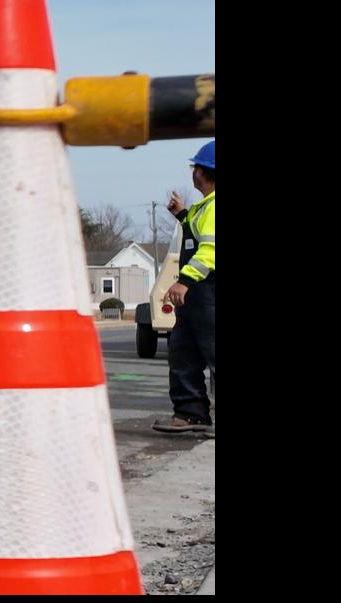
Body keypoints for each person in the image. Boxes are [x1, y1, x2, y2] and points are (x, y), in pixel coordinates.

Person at [153, 141, 216, 436]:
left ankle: (193, 413)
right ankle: (190, 414)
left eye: (195, 168)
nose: (193, 173)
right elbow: (195, 232)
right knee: (183, 353)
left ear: (202, 172)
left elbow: (210, 250)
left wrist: (185, 280)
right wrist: (181, 215)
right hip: (198, 298)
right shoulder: (205, 207)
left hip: (208, 293)